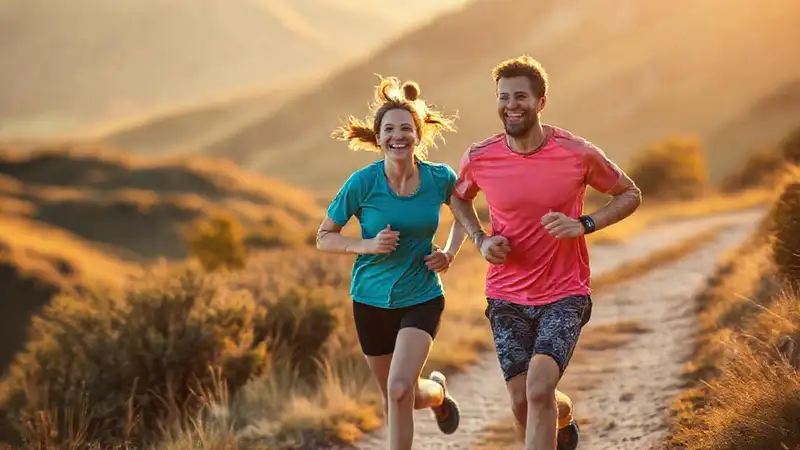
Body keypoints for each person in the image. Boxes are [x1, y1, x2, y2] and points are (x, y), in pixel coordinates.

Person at [448, 55, 643, 450]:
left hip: (564, 293)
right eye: (503, 97)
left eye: (520, 96)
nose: (510, 105)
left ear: (541, 102)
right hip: (505, 295)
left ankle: (553, 414)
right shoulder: (480, 157)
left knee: (538, 390)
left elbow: (630, 193)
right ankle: (563, 416)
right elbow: (458, 199)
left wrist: (585, 224)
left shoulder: (576, 152)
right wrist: (481, 240)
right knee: (524, 401)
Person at [316, 75, 468, 450]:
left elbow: (465, 215)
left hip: (421, 296)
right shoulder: (363, 182)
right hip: (369, 301)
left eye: (406, 128)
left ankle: (426, 395)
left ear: (418, 134)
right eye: (389, 129)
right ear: (379, 137)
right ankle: (437, 394)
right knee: (399, 396)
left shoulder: (439, 178)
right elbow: (324, 237)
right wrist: (366, 245)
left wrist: (449, 252)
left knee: (399, 390)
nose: (398, 135)